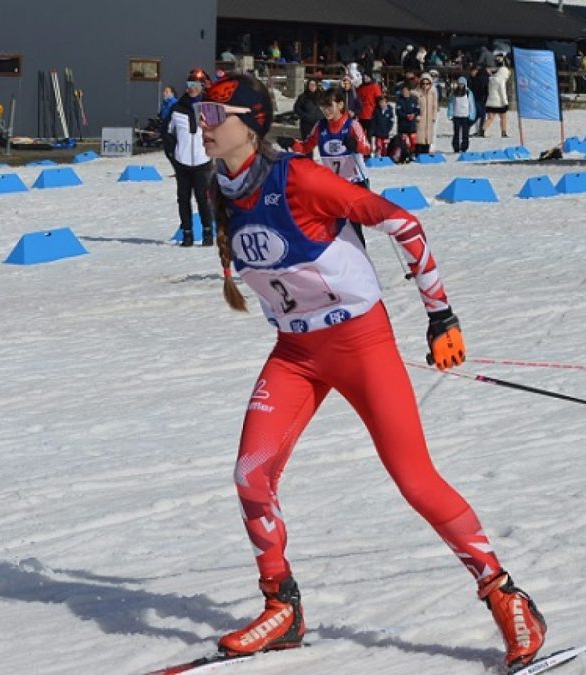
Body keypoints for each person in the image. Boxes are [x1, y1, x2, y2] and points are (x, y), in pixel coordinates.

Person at [194, 73, 547, 671]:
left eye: (214, 113)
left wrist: (441, 317)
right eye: (200, 112)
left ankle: (505, 594)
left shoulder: (298, 177)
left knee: (414, 479)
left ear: (251, 122)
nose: (203, 124)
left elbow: (404, 224)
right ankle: (281, 605)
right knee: (251, 475)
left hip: (360, 342)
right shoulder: (221, 186)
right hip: (295, 352)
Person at [277, 87, 371, 245]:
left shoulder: (352, 125)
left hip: (355, 181)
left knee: (354, 227)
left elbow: (367, 148)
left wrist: (355, 145)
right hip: (333, 184)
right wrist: (291, 143)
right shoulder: (320, 127)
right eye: (323, 107)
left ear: (340, 105)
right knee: (334, 226)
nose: (326, 111)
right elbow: (306, 147)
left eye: (329, 106)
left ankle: (362, 262)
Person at [163, 68, 215, 247]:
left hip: (202, 161)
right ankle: (187, 233)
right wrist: (173, 157)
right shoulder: (177, 108)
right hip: (183, 162)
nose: (192, 88)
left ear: (202, 86)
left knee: (203, 198)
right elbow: (168, 134)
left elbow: (219, 133)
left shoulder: (209, 107)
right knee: (183, 199)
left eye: (195, 85)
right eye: (189, 85)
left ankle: (208, 232)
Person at [482, 55, 511, 138]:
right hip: (499, 103)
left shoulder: (491, 79)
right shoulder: (501, 80)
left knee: (490, 118)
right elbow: (502, 93)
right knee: (503, 118)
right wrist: (505, 103)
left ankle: (482, 130)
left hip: (490, 102)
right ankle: (503, 132)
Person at [447, 76, 476, 153]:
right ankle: (456, 147)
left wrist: (472, 114)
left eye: (462, 84)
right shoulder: (454, 93)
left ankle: (464, 147)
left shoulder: (469, 93)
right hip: (456, 116)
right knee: (456, 133)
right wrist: (450, 113)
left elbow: (471, 104)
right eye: (459, 84)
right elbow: (451, 104)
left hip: (465, 116)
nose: (460, 85)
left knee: (465, 134)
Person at [355, 73, 383, 144]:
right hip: (361, 114)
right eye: (364, 77)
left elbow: (379, 100)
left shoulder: (375, 87)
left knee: (369, 135)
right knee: (360, 134)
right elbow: (356, 100)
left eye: (367, 76)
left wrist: (377, 111)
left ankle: (368, 151)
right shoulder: (360, 88)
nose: (365, 78)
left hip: (371, 114)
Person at [414, 72, 438, 155]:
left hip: (429, 118)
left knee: (428, 136)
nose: (425, 85)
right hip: (420, 118)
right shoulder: (417, 93)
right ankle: (418, 152)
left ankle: (426, 151)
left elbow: (435, 106)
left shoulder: (433, 93)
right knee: (420, 136)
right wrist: (416, 115)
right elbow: (414, 106)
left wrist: (434, 116)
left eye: (427, 83)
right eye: (423, 83)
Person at [468, 63, 490, 136]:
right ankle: (479, 130)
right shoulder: (481, 77)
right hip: (479, 98)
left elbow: (482, 88)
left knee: (478, 115)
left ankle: (478, 130)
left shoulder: (480, 77)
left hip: (479, 98)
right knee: (479, 115)